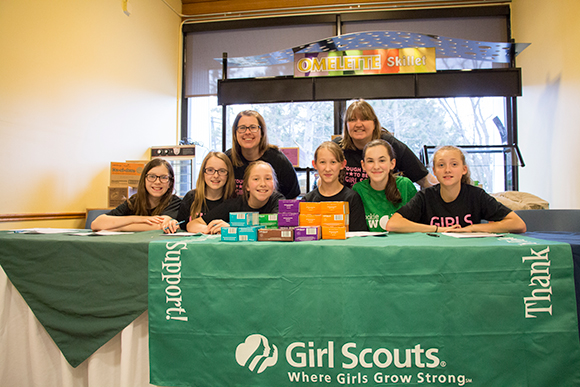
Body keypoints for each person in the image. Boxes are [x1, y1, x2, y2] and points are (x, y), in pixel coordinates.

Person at [386, 146, 527, 234]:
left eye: (454, 164)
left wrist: (472, 228)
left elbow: (518, 224)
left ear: (464, 169)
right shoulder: (426, 196)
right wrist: (438, 229)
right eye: (441, 165)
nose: (447, 170)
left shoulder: (476, 196)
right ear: (434, 171)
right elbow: (393, 224)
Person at [333, 99, 435, 190]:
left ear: (374, 124)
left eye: (364, 119)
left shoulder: (390, 145)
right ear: (346, 125)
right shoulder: (337, 148)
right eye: (352, 120)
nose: (358, 124)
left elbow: (424, 178)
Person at [187, 160, 284, 234]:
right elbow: (192, 225)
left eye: (268, 178)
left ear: (274, 184)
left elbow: (276, 230)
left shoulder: (279, 202)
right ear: (246, 186)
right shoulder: (234, 204)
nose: (262, 184)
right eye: (256, 179)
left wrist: (233, 229)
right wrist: (212, 229)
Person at [226, 110, 300, 199]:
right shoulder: (227, 160)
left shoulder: (278, 160)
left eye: (253, 127)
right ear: (235, 133)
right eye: (242, 128)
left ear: (262, 133)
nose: (248, 132)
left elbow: (291, 198)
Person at [91, 158, 181, 232]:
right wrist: (137, 219)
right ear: (144, 179)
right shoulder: (133, 202)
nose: (157, 182)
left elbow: (158, 226)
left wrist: (118, 228)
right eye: (152, 176)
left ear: (170, 182)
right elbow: (96, 224)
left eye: (164, 177)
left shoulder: (174, 202)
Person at [352, 139, 417, 232]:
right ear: (363, 165)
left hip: (403, 244)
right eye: (370, 161)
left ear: (392, 164)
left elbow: (419, 224)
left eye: (382, 160)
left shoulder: (405, 185)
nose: (376, 166)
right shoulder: (358, 189)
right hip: (372, 245)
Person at [302, 141, 368, 231]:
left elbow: (359, 235)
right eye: (322, 162)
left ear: (342, 164)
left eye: (333, 162)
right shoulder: (308, 200)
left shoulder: (352, 198)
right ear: (314, 164)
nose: (328, 168)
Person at [168, 151, 236, 233]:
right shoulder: (191, 197)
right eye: (210, 170)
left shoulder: (234, 201)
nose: (216, 175)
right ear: (203, 173)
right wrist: (172, 224)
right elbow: (180, 226)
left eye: (222, 171)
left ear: (229, 174)